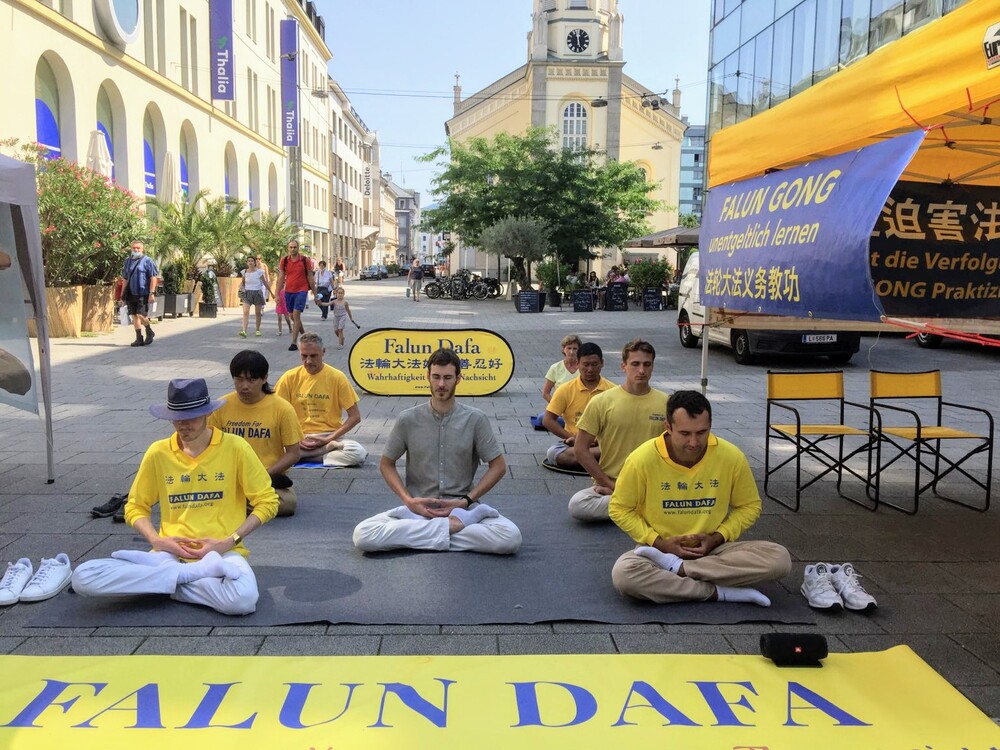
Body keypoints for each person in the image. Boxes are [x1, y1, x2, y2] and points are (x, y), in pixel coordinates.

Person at [71, 378, 279, 615]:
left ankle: (164, 586)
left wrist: (228, 541)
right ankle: (187, 577)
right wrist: (157, 541)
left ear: (207, 414)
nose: (183, 425)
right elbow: (135, 506)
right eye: (177, 418)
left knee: (243, 601)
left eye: (191, 417)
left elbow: (268, 501)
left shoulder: (236, 447)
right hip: (168, 553)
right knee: (82, 577)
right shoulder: (158, 452)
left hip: (221, 552)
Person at [609, 390, 792, 606]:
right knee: (624, 575)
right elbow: (619, 508)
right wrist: (659, 543)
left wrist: (718, 537)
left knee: (780, 559)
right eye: (685, 433)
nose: (694, 442)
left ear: (711, 426)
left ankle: (681, 571)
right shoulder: (642, 459)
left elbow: (750, 506)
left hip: (713, 550)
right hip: (659, 552)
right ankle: (717, 591)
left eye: (702, 432)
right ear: (667, 427)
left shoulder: (731, 456)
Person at [353, 348, 521, 554]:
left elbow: (499, 467)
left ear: (459, 379)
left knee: (510, 538)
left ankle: (421, 536)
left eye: (448, 378)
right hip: (418, 510)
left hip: (462, 509)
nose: (441, 384)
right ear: (428, 377)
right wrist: (408, 501)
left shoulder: (475, 419)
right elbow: (386, 464)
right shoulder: (408, 419)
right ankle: (448, 532)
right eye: (437, 377)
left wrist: (466, 500)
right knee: (363, 536)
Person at [568, 339, 667, 521]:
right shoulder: (602, 401)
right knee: (578, 505)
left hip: (654, 484)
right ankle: (639, 508)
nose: (641, 371)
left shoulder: (666, 403)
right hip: (612, 484)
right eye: (635, 364)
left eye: (647, 364)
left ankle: (629, 507)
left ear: (653, 366)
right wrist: (608, 484)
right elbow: (580, 449)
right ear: (624, 366)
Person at [209, 351, 303, 516]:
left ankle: (232, 504)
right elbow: (209, 448)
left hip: (266, 477)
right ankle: (245, 504)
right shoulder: (221, 406)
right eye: (239, 379)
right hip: (229, 477)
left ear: (264, 378)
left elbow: (294, 453)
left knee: (287, 503)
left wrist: (263, 474)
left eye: (251, 380)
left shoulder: (282, 408)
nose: (244, 386)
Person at [275, 332, 367, 466]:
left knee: (357, 452)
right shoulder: (289, 377)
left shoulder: (337, 377)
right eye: (304, 356)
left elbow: (355, 417)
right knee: (265, 449)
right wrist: (293, 437)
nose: (309, 361)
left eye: (313, 356)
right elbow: (277, 414)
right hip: (297, 438)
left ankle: (296, 457)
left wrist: (329, 439)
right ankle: (321, 453)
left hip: (329, 436)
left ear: (323, 352)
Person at [542, 342, 616, 468]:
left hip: (604, 443)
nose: (590, 370)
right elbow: (548, 420)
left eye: (594, 364)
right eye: (585, 365)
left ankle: (589, 456)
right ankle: (599, 457)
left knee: (620, 446)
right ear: (577, 364)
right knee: (553, 453)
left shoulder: (613, 390)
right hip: (573, 443)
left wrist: (601, 441)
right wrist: (574, 438)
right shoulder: (565, 389)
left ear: (602, 363)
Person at [275, 239, 315, 352]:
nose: (292, 249)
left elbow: (310, 277)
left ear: (298, 248)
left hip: (301, 290)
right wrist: (277, 294)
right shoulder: (285, 261)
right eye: (291, 247)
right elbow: (281, 277)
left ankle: (294, 343)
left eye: (295, 247)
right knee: (292, 316)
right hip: (289, 291)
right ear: (288, 248)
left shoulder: (305, 260)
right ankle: (306, 337)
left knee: (296, 315)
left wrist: (315, 293)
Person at [121, 240, 159, 348]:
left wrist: (152, 293)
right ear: (131, 249)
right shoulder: (127, 261)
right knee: (134, 315)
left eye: (138, 248)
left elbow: (153, 278)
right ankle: (139, 338)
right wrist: (122, 295)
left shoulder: (148, 261)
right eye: (134, 248)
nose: (136, 250)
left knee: (140, 314)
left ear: (142, 249)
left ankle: (149, 330)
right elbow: (125, 279)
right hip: (131, 292)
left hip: (143, 293)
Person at [239, 256, 272, 338]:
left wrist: (271, 293)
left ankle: (257, 330)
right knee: (245, 312)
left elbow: (264, 282)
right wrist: (240, 287)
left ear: (254, 262)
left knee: (258, 313)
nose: (250, 262)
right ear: (247, 263)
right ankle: (244, 331)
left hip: (257, 293)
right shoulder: (244, 272)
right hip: (247, 293)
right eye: (249, 261)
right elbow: (242, 282)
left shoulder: (259, 272)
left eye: (252, 261)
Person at [541, 334, 581, 403]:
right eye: (569, 348)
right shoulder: (555, 368)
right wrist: (555, 406)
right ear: (564, 349)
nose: (571, 352)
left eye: (574, 349)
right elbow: (545, 393)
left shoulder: (583, 368)